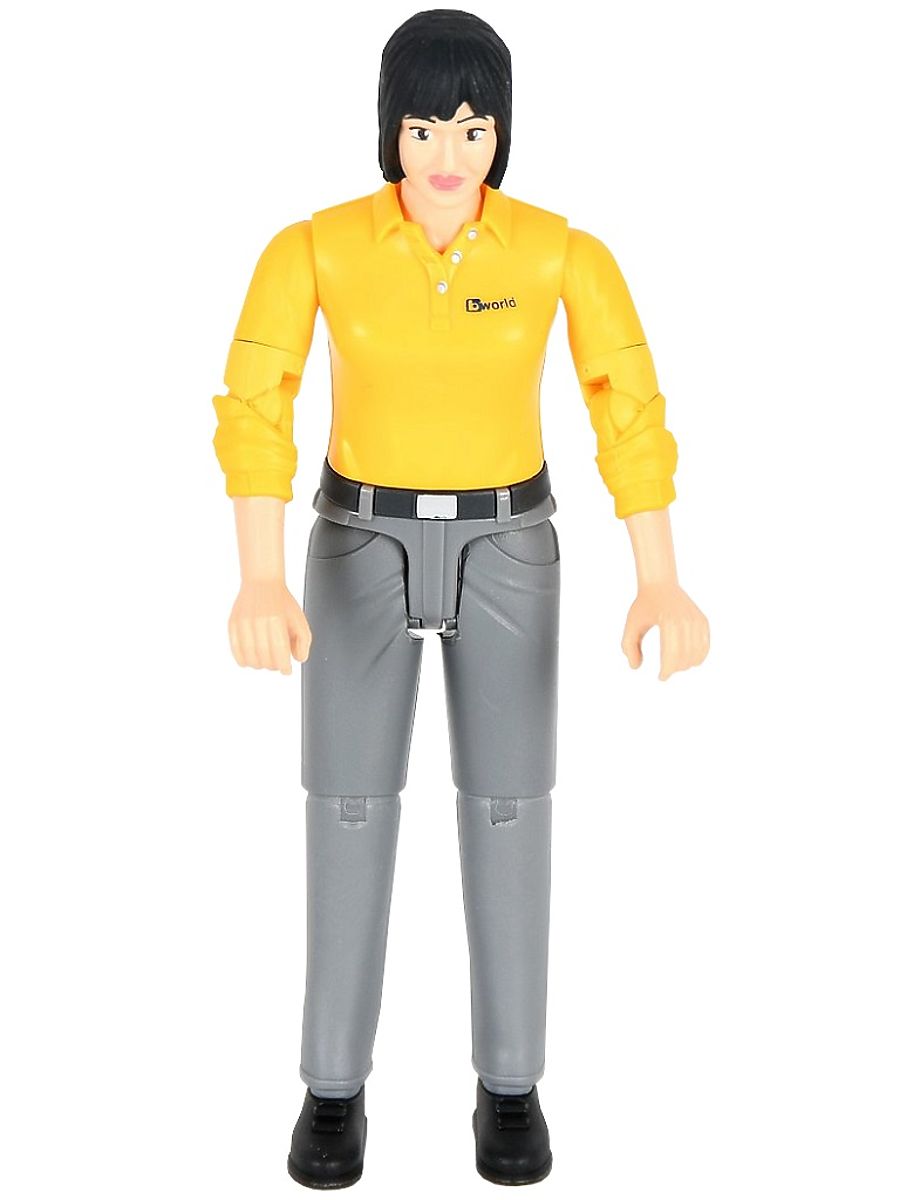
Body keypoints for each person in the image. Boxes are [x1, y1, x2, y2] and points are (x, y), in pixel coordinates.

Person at [212, 8, 709, 1189]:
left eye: (473, 128)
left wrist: (658, 574)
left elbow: (624, 406)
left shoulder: (557, 253)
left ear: (501, 135)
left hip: (507, 543)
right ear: (390, 128)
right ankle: (331, 1087)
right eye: (425, 126)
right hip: (356, 541)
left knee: (508, 807)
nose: (447, 153)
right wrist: (257, 570)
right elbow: (257, 405)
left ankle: (511, 1084)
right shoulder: (315, 248)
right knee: (345, 806)